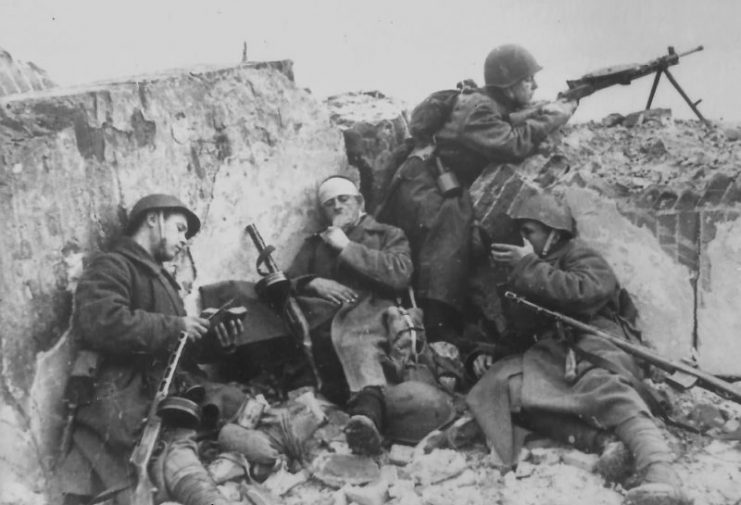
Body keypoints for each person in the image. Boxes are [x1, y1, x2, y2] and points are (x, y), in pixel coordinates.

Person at [466, 192, 688, 505]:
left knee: (603, 385)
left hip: (596, 340)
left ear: (554, 233)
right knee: (505, 391)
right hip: (550, 353)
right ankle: (604, 443)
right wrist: (490, 351)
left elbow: (584, 293)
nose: (523, 239)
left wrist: (528, 265)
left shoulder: (580, 256)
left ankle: (661, 473)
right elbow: (522, 330)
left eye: (529, 232)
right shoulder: (530, 267)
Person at [376, 44, 577, 345]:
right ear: (508, 85)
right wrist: (555, 116)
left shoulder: (485, 102)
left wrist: (548, 107)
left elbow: (512, 119)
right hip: (421, 183)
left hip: (430, 177)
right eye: (527, 80)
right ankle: (436, 323)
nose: (534, 85)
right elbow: (513, 145)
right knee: (451, 233)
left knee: (459, 225)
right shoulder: (479, 108)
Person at [58, 194, 244, 505]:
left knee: (256, 420)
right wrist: (176, 326)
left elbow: (178, 349)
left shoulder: (162, 279)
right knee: (175, 469)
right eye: (181, 228)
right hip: (127, 397)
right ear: (153, 219)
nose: (184, 241)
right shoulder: (112, 265)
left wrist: (217, 343)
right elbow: (100, 322)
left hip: (172, 392)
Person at [286, 175, 421, 454]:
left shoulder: (386, 234)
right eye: (329, 203)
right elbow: (288, 279)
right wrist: (312, 282)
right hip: (324, 322)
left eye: (343, 199)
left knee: (358, 343)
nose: (336, 206)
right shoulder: (314, 244)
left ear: (359, 201)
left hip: (372, 313)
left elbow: (400, 274)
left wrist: (347, 247)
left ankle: (367, 420)